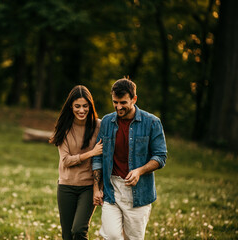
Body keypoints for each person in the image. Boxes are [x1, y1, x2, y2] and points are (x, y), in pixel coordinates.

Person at [92, 77, 167, 239]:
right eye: (115, 102)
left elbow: (160, 157)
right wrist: (97, 187)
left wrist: (139, 171)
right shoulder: (106, 122)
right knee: (111, 235)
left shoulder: (152, 123)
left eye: (123, 102)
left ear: (134, 99)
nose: (118, 107)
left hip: (139, 193)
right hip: (111, 190)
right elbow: (98, 157)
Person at [50, 85, 103, 240]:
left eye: (85, 106)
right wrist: (90, 153)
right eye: (77, 106)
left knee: (79, 230)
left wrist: (97, 187)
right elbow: (66, 161)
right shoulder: (64, 128)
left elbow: (100, 160)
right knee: (67, 235)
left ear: (90, 106)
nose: (81, 110)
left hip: (87, 187)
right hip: (66, 187)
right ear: (71, 107)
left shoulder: (99, 126)